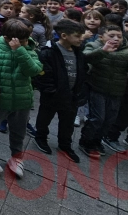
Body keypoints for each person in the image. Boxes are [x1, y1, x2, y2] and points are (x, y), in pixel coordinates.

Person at [0, 19, 43, 178]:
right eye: (20, 41)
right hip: (0, 101)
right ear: (7, 37)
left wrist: (20, 50)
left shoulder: (28, 50)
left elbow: (34, 70)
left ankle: (16, 157)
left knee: (19, 131)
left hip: (22, 100)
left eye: (25, 40)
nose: (24, 43)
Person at [79, 24, 128, 158]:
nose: (116, 39)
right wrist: (103, 51)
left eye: (119, 36)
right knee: (97, 118)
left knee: (109, 120)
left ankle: (97, 141)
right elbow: (86, 58)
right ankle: (86, 141)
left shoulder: (127, 52)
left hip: (116, 92)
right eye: (111, 35)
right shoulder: (94, 45)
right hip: (97, 88)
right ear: (102, 37)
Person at [33, 19, 88, 163]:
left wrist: (78, 92)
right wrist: (52, 91)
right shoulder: (48, 52)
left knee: (68, 123)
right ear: (64, 35)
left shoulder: (78, 52)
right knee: (45, 117)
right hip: (53, 96)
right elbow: (43, 76)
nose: (81, 39)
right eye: (77, 35)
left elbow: (83, 71)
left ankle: (65, 145)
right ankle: (40, 137)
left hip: (72, 96)